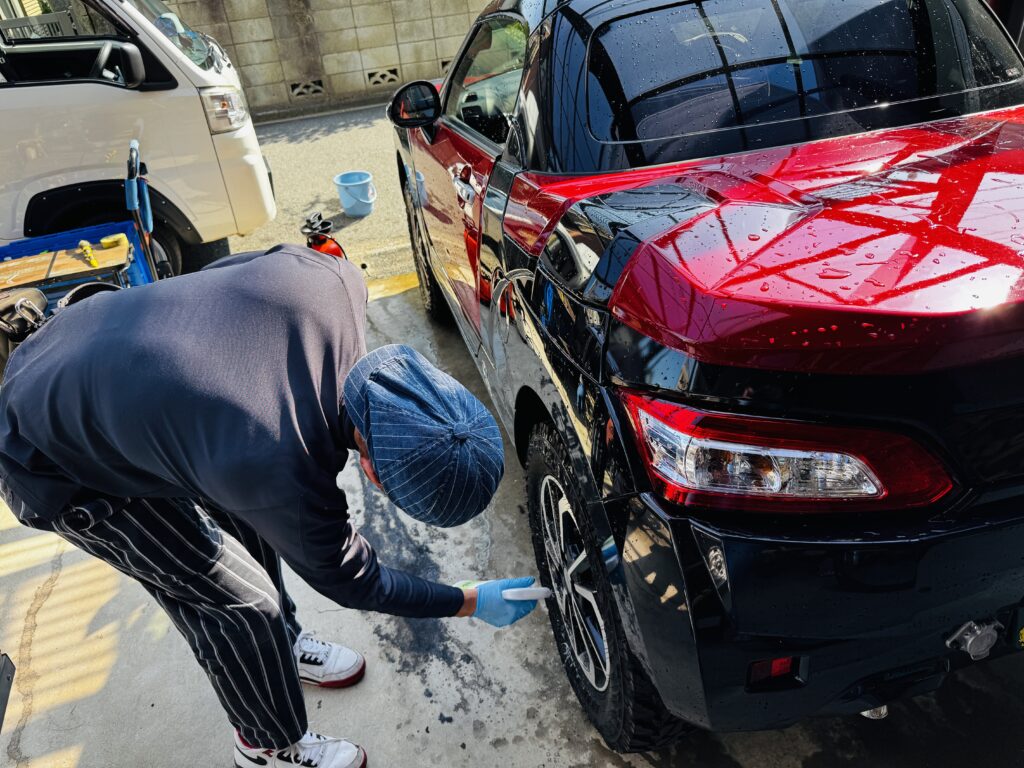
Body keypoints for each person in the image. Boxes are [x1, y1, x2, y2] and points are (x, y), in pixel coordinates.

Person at [0, 245, 539, 768]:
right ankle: (266, 746)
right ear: (373, 472)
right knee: (242, 603)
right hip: (48, 457)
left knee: (248, 519)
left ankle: (285, 646)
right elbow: (357, 582)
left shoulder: (335, 281)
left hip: (87, 348)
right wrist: (467, 600)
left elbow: (221, 278)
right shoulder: (280, 465)